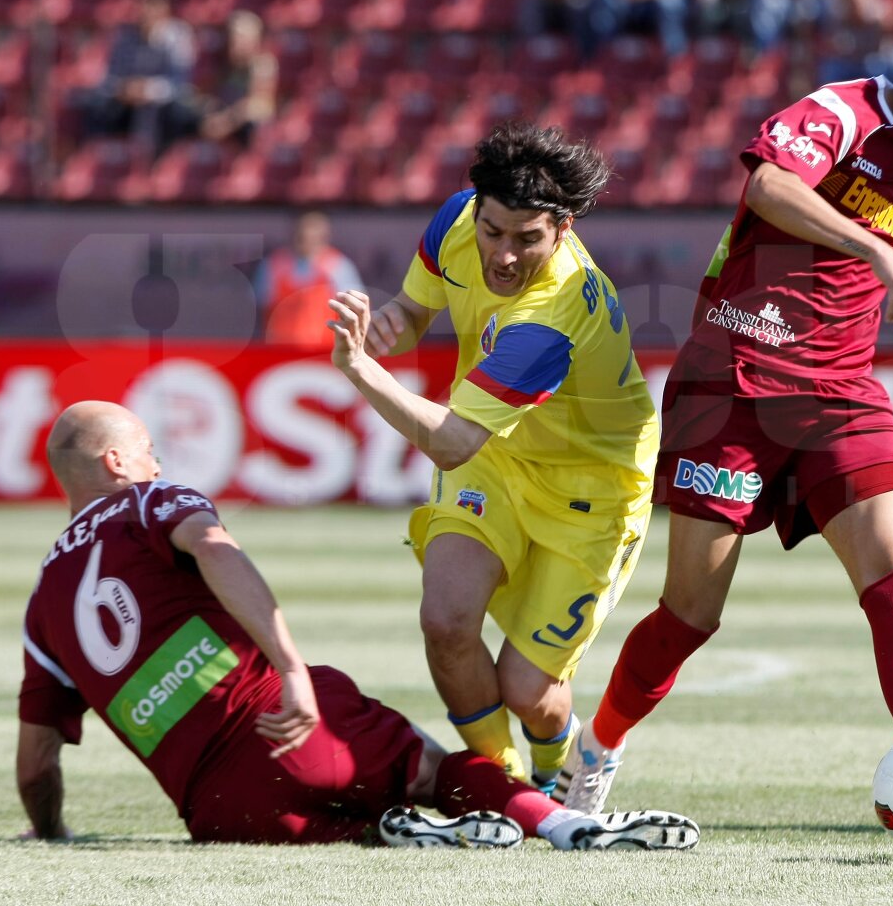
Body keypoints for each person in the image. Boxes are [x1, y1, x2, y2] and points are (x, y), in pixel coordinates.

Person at [555, 3, 893, 862]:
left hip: (841, 392)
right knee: (690, 614)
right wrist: (880, 251)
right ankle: (594, 753)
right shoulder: (842, 112)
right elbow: (767, 187)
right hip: (735, 380)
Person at [17, 401, 698, 851]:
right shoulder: (150, 500)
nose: (157, 463)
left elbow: (36, 764)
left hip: (222, 810)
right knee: (435, 771)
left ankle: (401, 833)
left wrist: (49, 830)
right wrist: (290, 670)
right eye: (148, 450)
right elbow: (216, 549)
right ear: (115, 462)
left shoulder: (43, 602)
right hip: (302, 730)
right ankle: (562, 823)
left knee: (359, 835)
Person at [327, 122, 658, 795]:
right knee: (445, 621)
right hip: (496, 460)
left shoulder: (551, 316)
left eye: (527, 239)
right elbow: (416, 308)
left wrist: (360, 368)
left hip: (593, 490)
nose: (504, 255)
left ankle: (558, 766)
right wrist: (392, 322)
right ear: (476, 211)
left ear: (563, 230)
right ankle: (502, 788)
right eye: (493, 232)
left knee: (528, 690)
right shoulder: (457, 218)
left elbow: (451, 441)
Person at [84, 0, 196, 157]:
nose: (147, 17)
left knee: (178, 113)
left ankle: (168, 161)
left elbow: (180, 82)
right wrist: (124, 89)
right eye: (143, 12)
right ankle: (103, 161)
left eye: (153, 12)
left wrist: (148, 90)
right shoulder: (125, 37)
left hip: (164, 101)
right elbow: (110, 77)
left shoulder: (178, 36)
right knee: (98, 106)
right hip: (128, 100)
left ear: (164, 14)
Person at [255, 211, 364, 346]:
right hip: (280, 350)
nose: (309, 241)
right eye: (303, 236)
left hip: (326, 351)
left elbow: (355, 311)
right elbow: (261, 310)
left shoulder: (339, 266)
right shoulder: (273, 265)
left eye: (315, 236)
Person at [196, 10, 278, 148]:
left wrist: (227, 121)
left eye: (242, 39)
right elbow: (207, 94)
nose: (237, 43)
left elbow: (259, 104)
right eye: (234, 38)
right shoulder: (223, 64)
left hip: (243, 125)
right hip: (222, 116)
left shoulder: (263, 65)